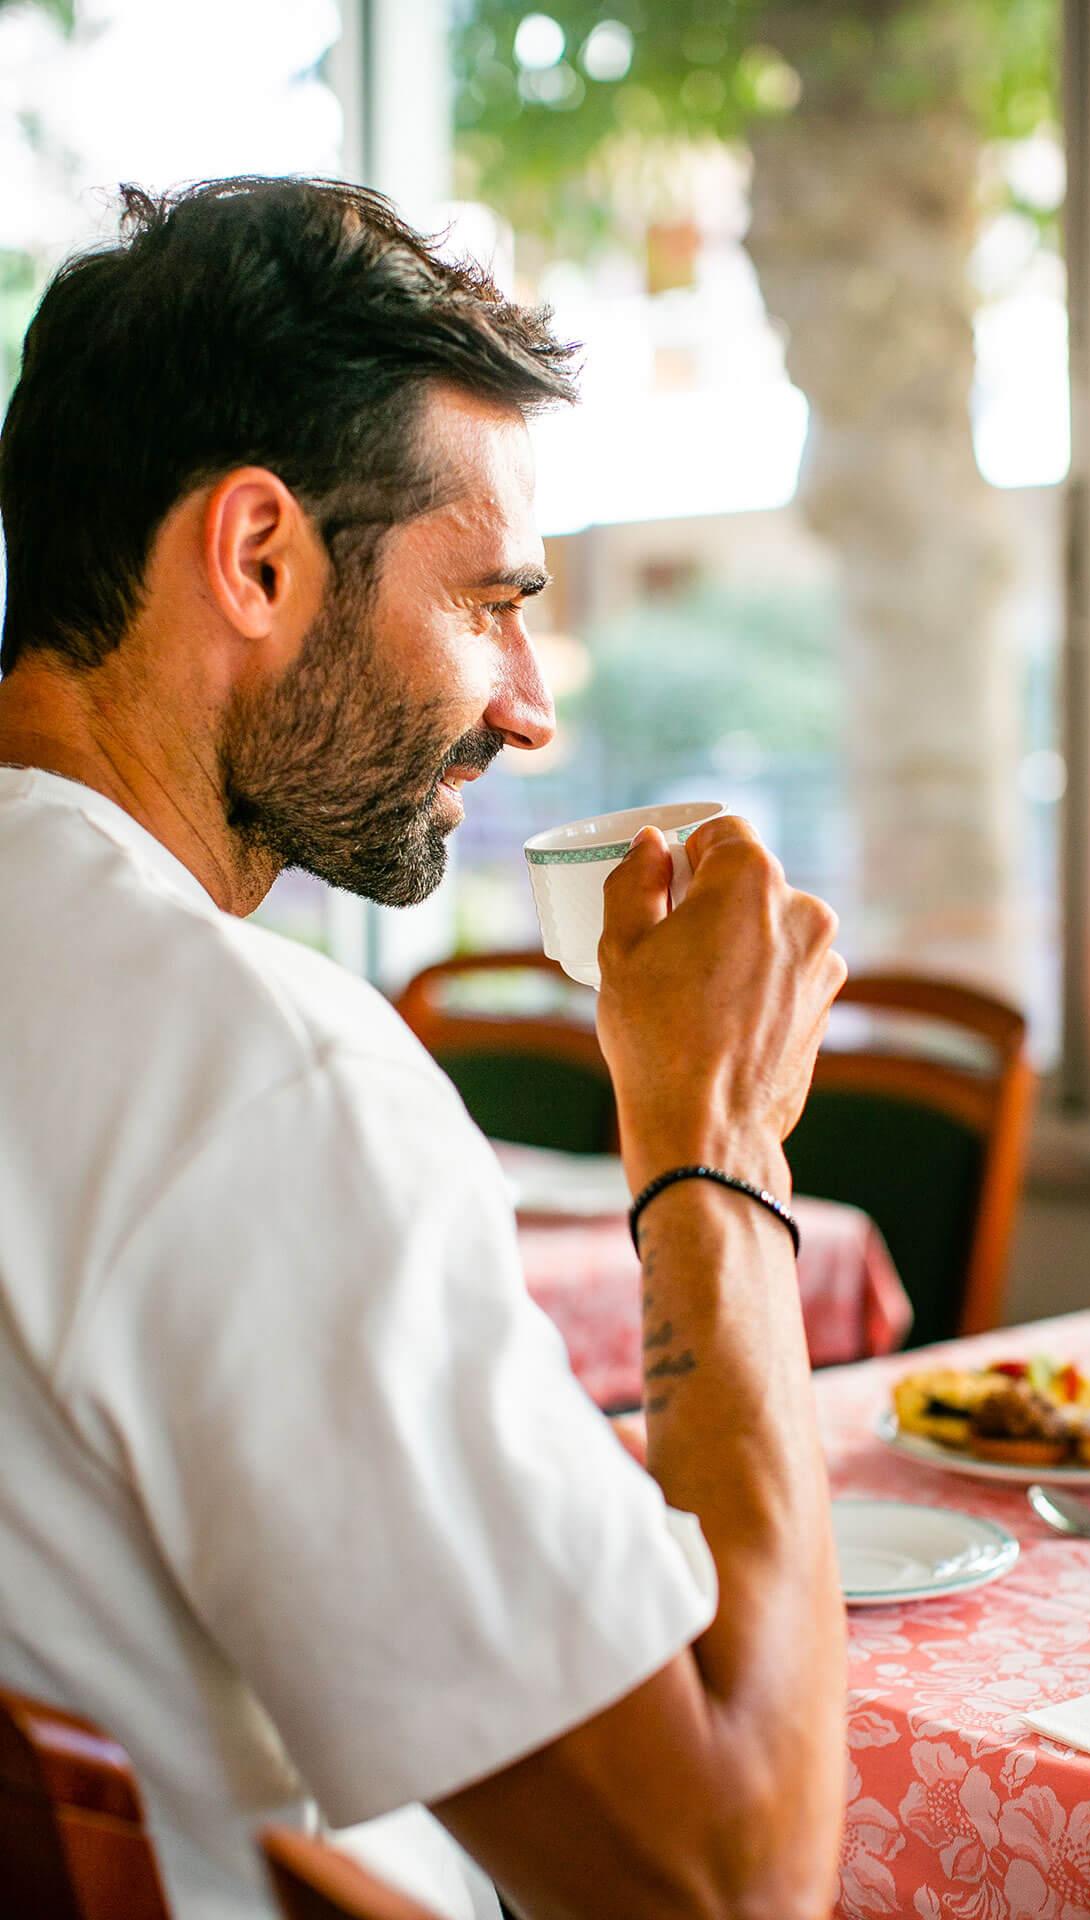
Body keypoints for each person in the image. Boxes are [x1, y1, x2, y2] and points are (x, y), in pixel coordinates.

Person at [0, 177, 848, 1920]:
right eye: (487, 603)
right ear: (257, 556)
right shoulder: (249, 1070)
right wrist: (715, 1145)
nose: (529, 706)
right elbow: (733, 1878)